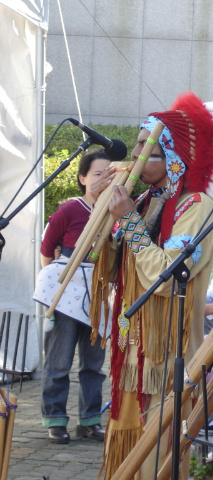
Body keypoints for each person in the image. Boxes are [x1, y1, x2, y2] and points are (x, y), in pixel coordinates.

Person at [90, 92, 213, 479]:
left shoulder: (195, 206)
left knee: (158, 450)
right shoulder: (143, 200)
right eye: (139, 142)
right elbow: (111, 271)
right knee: (125, 435)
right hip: (131, 347)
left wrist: (127, 222)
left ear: (174, 156)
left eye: (150, 146)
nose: (138, 152)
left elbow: (167, 274)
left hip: (166, 354)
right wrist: (103, 212)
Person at [33, 149, 110, 444]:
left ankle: (89, 421)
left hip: (98, 293)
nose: (102, 179)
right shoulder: (69, 210)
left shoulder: (115, 211)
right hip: (64, 293)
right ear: (82, 178)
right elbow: (46, 249)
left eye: (108, 174)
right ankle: (55, 419)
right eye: (96, 174)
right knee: (59, 360)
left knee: (93, 363)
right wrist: (53, 290)